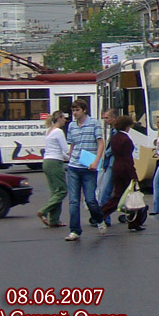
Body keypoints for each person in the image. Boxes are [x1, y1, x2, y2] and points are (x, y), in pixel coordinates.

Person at [64, 99, 106, 241]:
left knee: (90, 199)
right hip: (74, 166)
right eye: (73, 110)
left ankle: (100, 220)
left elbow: (101, 143)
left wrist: (96, 161)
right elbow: (72, 145)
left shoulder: (94, 123)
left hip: (89, 166)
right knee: (73, 201)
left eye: (77, 110)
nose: (74, 113)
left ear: (84, 110)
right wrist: (70, 158)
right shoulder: (71, 126)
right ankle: (75, 230)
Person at [99, 115, 142, 230]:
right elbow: (128, 160)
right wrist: (134, 175)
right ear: (127, 126)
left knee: (118, 195)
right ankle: (133, 223)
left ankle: (101, 213)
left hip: (116, 168)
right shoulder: (126, 140)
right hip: (125, 170)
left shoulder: (114, 138)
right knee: (131, 195)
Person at [36, 110, 68, 228]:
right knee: (62, 191)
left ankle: (54, 220)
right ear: (59, 118)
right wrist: (77, 157)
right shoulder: (58, 131)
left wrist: (67, 157)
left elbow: (60, 151)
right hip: (55, 162)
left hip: (47, 162)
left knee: (55, 191)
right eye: (64, 118)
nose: (65, 120)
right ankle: (43, 211)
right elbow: (65, 149)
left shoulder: (49, 131)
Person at [95, 108, 118, 209]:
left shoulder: (116, 131)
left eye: (107, 118)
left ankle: (104, 216)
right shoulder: (113, 130)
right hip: (110, 163)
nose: (105, 120)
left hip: (112, 164)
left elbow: (114, 147)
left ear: (113, 117)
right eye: (104, 118)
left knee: (105, 191)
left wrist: (105, 153)